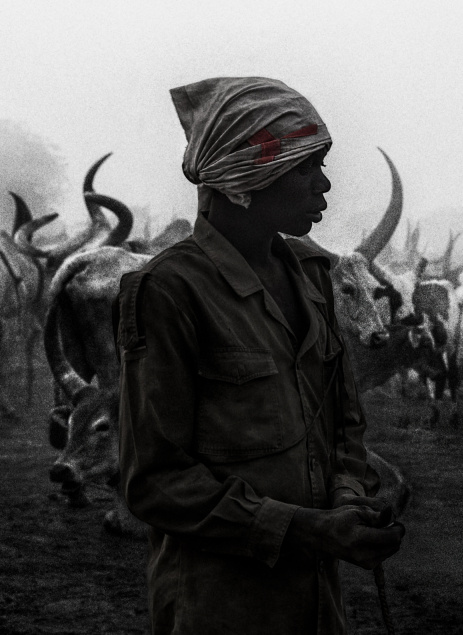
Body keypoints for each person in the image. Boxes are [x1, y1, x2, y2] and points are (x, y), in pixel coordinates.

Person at [115, 76, 405, 634]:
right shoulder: (168, 291)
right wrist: (313, 531)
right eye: (305, 168)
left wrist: (348, 500)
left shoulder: (317, 277)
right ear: (244, 180)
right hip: (218, 606)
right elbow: (153, 482)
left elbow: (343, 426)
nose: (323, 186)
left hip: (320, 604)